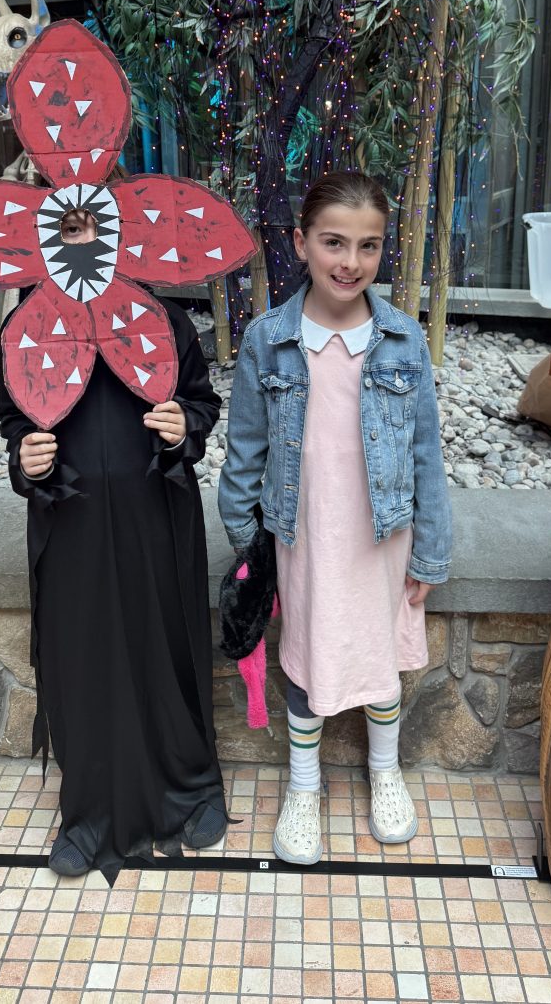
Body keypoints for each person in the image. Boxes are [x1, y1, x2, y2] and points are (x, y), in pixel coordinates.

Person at [218, 172, 452, 864]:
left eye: (368, 245)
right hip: (305, 536)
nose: (350, 261)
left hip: (382, 535)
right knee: (307, 657)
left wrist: (430, 552)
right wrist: (250, 547)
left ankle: (385, 770)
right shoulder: (268, 340)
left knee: (380, 655)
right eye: (333, 242)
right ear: (301, 243)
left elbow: (427, 454)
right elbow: (244, 454)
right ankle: (303, 785)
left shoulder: (403, 340)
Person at [0, 205, 228, 882]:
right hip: (72, 524)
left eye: (96, 225)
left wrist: (183, 425)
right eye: (68, 229)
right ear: (45, 239)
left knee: (164, 646)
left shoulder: (166, 323)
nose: (84, 241)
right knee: (83, 656)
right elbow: (14, 418)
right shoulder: (24, 331)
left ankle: (190, 788)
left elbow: (202, 403)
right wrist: (26, 459)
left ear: (126, 235)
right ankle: (89, 811)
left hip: (154, 516)